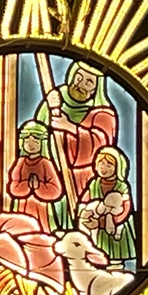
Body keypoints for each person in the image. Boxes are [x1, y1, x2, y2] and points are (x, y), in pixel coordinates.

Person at [37, 60, 118, 228]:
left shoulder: (103, 113)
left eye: (88, 82)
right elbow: (39, 130)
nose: (80, 84)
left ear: (96, 89)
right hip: (52, 172)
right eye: (78, 77)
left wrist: (69, 126)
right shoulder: (56, 100)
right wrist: (48, 106)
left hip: (84, 178)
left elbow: (100, 145)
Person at [81, 144, 137, 263]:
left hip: (118, 230)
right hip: (99, 231)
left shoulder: (122, 186)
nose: (103, 168)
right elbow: (85, 202)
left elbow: (125, 210)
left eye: (109, 165)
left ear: (118, 167)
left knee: (117, 258)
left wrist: (103, 222)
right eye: (100, 163)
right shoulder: (94, 184)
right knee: (101, 258)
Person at [3, 120, 64, 228]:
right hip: (22, 205)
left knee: (42, 227)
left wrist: (38, 187)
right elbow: (13, 186)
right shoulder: (20, 162)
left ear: (43, 143)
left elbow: (56, 190)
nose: (30, 145)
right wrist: (27, 185)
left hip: (42, 208)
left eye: (35, 141)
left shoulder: (46, 163)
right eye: (27, 141)